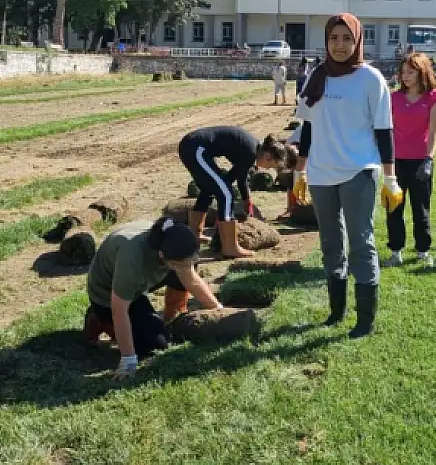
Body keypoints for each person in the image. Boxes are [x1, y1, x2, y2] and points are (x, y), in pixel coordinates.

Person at [293, 13, 402, 339]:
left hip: (358, 171)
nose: (339, 45)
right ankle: (336, 312)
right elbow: (308, 128)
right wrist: (300, 170)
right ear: (326, 41)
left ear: (357, 41)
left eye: (346, 38)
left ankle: (365, 320)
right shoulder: (317, 76)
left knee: (360, 243)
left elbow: (384, 131)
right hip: (322, 174)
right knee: (330, 243)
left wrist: (390, 178)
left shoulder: (370, 79)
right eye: (333, 38)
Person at [83, 216, 224, 378]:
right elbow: (119, 311)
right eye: (181, 263)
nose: (187, 266)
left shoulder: (169, 239)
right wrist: (128, 359)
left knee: (183, 272)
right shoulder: (132, 260)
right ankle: (98, 317)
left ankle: (172, 317)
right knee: (154, 345)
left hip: (147, 276)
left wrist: (218, 309)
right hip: (108, 294)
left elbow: (190, 278)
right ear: (162, 255)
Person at [179, 126, 287, 257]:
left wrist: (247, 200)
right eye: (271, 165)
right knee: (226, 193)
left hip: (192, 146)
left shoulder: (252, 149)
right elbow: (231, 179)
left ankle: (195, 235)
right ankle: (230, 247)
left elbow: (240, 177)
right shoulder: (250, 152)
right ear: (267, 156)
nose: (268, 168)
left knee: (210, 189)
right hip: (196, 149)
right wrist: (229, 207)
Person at [384, 53, 436, 268]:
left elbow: (434, 133)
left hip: (421, 161)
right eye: (403, 72)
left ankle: (423, 251)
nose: (405, 76)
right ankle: (395, 251)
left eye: (411, 72)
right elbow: (387, 132)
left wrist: (428, 160)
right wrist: (386, 163)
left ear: (422, 73)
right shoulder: (393, 98)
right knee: (394, 209)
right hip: (396, 162)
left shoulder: (434, 98)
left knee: (421, 210)